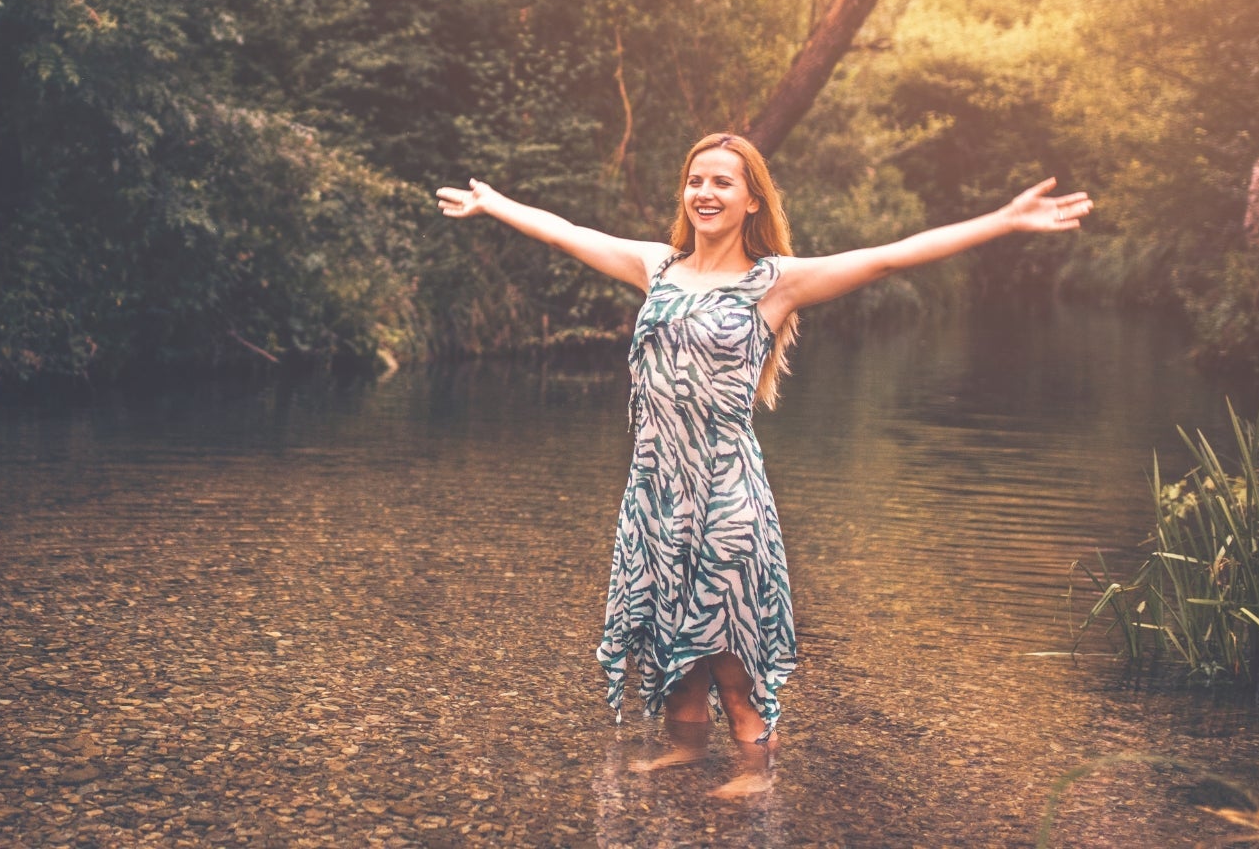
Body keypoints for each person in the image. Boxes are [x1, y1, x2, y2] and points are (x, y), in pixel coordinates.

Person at [436, 132, 1092, 795]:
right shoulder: (657, 267)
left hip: (727, 491)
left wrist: (1004, 221)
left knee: (726, 650)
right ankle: (688, 755)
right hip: (656, 493)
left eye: (722, 182)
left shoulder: (775, 282)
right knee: (674, 647)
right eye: (696, 181)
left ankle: (757, 770)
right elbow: (565, 233)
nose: (705, 193)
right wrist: (495, 203)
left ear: (752, 198)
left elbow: (890, 259)